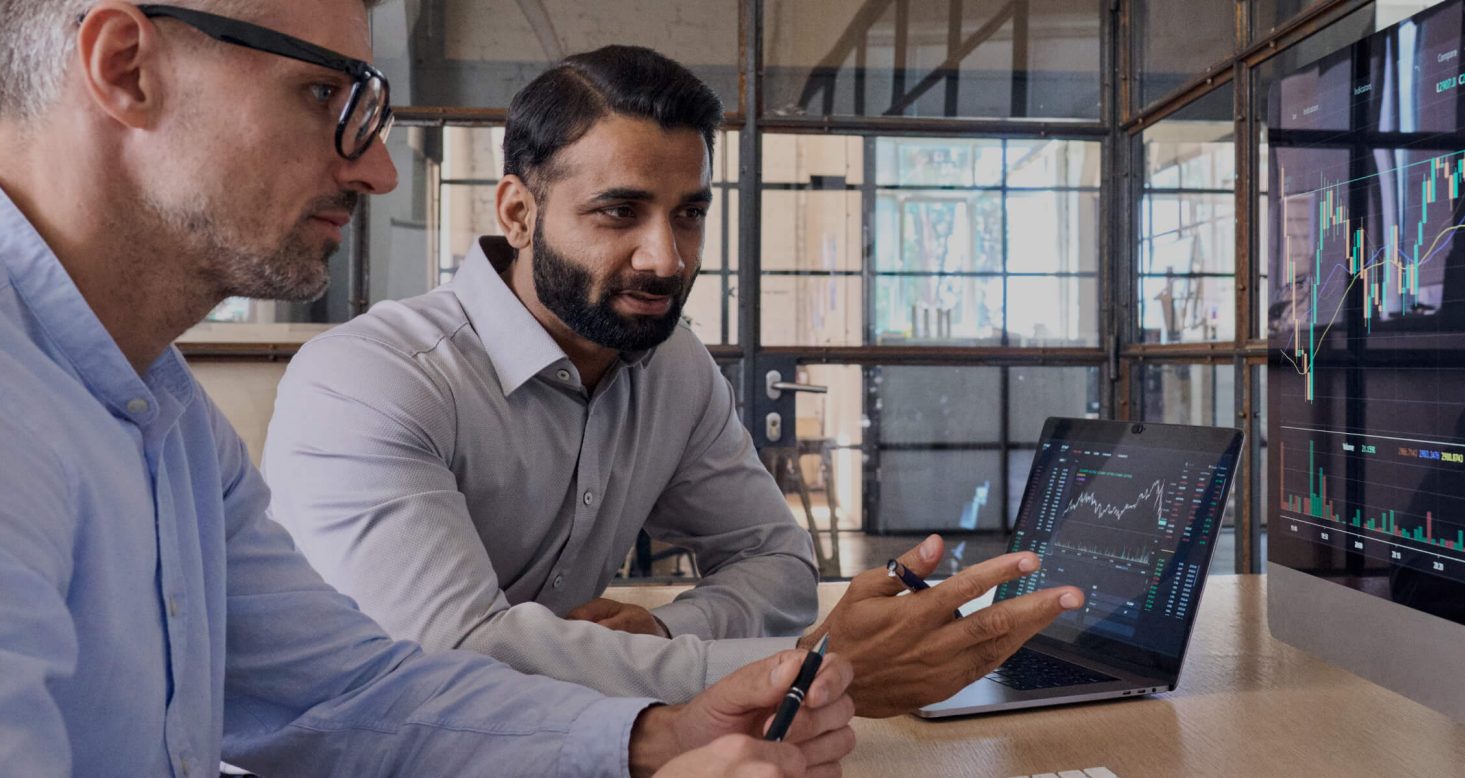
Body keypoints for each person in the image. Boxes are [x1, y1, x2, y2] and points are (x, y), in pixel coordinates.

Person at [0, 2, 854, 774]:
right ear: (127, 67)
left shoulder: (165, 416)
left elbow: (348, 693)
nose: (376, 169)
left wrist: (654, 737)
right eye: (324, 92)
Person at [262, 45, 1087, 717]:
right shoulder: (371, 380)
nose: (668, 259)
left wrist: (662, 629)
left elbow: (777, 563)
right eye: (618, 213)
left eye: (688, 213)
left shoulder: (672, 363)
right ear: (517, 212)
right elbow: (454, 658)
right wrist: (807, 667)